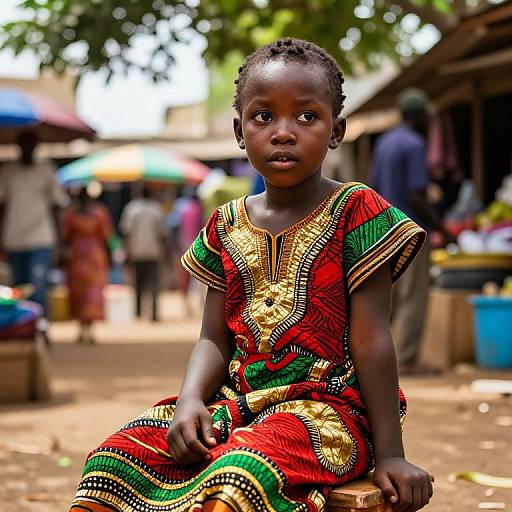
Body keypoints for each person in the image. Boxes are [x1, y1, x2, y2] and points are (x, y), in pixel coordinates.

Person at [70, 39, 433, 512]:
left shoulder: (357, 212)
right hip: (238, 403)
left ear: (336, 130)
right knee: (111, 463)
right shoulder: (225, 223)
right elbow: (213, 338)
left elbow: (371, 339)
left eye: (306, 116)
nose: (284, 133)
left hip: (328, 413)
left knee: (239, 477)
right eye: (264, 117)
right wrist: (188, 402)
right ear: (240, 131)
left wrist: (390, 454)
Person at [371, 88, 455, 375]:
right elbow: (417, 193)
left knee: (389, 297)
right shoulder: (414, 144)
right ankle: (404, 360)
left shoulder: (384, 142)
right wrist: (443, 227)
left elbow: (375, 185)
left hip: (383, 230)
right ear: (419, 116)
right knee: (415, 295)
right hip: (410, 231)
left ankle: (380, 359)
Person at [0, 130, 65, 316]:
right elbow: (2, 207)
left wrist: (61, 244)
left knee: (37, 286)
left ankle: (40, 328)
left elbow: (56, 208)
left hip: (41, 239)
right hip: (13, 239)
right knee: (19, 289)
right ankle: (23, 330)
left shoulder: (47, 170)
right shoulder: (8, 171)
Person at [61, 188, 114, 344]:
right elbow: (107, 237)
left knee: (86, 293)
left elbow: (66, 237)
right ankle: (87, 329)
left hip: (81, 257)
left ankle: (85, 329)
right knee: (87, 293)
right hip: (92, 257)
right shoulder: (99, 213)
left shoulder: (72, 215)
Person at [120, 184, 167, 322]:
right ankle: (153, 313)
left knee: (138, 283)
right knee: (153, 283)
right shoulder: (157, 209)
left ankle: (138, 312)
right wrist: (166, 253)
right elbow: (163, 234)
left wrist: (126, 250)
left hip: (136, 251)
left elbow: (126, 232)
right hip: (154, 251)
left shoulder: (131, 208)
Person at [168, 186, 204, 315]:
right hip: (197, 245)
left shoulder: (179, 206)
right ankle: (198, 303)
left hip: (181, 246)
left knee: (183, 276)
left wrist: (173, 246)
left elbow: (173, 227)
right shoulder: (198, 208)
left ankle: (185, 303)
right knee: (198, 276)